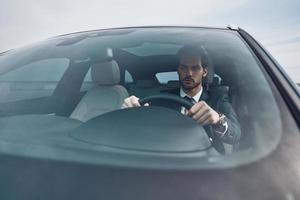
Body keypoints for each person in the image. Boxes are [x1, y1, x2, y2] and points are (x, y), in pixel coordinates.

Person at [122, 45, 241, 154]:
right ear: (178, 70)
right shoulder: (162, 99)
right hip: (169, 155)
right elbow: (149, 129)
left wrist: (217, 119)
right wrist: (131, 113)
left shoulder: (218, 98)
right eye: (183, 68)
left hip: (207, 160)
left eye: (195, 68)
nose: (188, 73)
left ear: (204, 72)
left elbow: (235, 135)